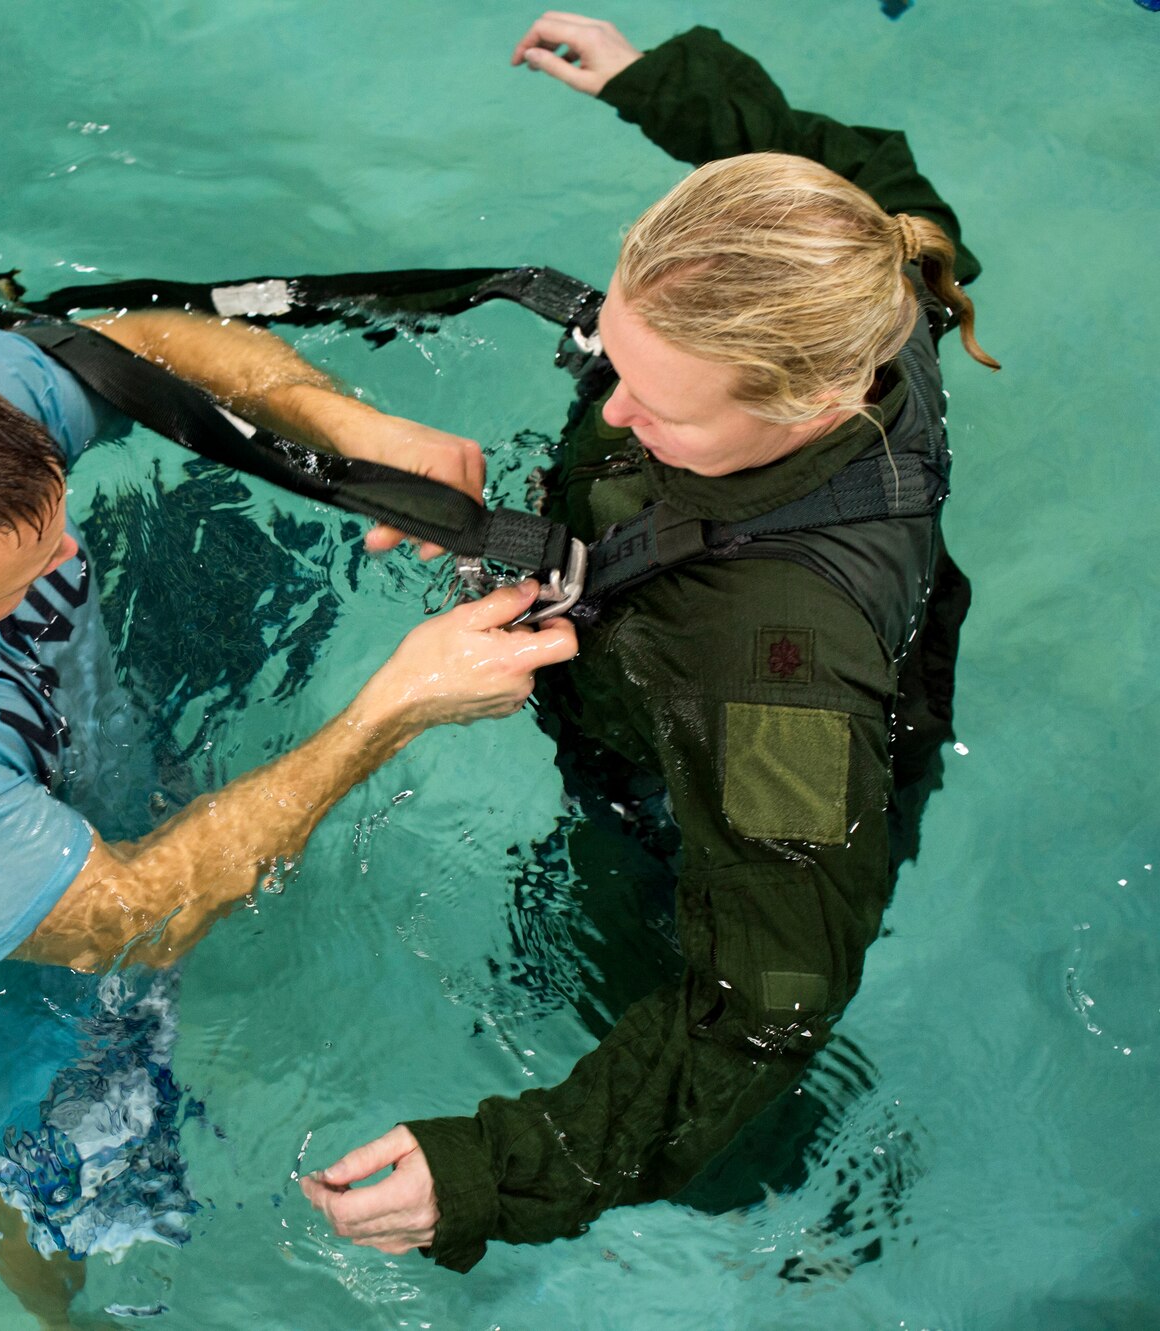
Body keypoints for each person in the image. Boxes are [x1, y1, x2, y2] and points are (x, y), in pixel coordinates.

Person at [0, 307, 577, 1309]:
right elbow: (132, 924)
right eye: (20, 575)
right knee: (74, 1200)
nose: (64, 551)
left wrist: (350, 432)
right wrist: (393, 707)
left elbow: (142, 352)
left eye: (54, 521)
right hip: (6, 992)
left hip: (81, 785)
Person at [302, 14, 995, 1270]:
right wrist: (657, 85)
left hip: (694, 798)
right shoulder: (872, 275)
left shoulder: (771, 691)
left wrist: (497, 1169)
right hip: (725, 625)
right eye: (611, 358)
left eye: (656, 406)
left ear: (812, 403)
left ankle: (774, 1205)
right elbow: (844, 168)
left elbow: (768, 1005)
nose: (612, 410)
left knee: (635, 982)